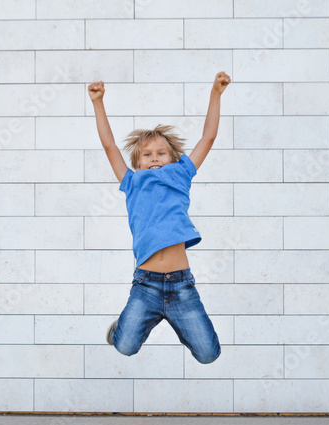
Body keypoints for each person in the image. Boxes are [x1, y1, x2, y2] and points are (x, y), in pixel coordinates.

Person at [88, 72, 231, 364]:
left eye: (161, 153)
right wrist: (98, 103)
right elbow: (109, 146)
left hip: (182, 285)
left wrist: (215, 93)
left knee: (208, 354)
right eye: (147, 155)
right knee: (125, 346)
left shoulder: (181, 174)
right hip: (146, 285)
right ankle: (122, 329)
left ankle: (179, 323)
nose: (154, 158)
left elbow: (209, 137)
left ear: (173, 158)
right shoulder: (132, 182)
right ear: (137, 163)